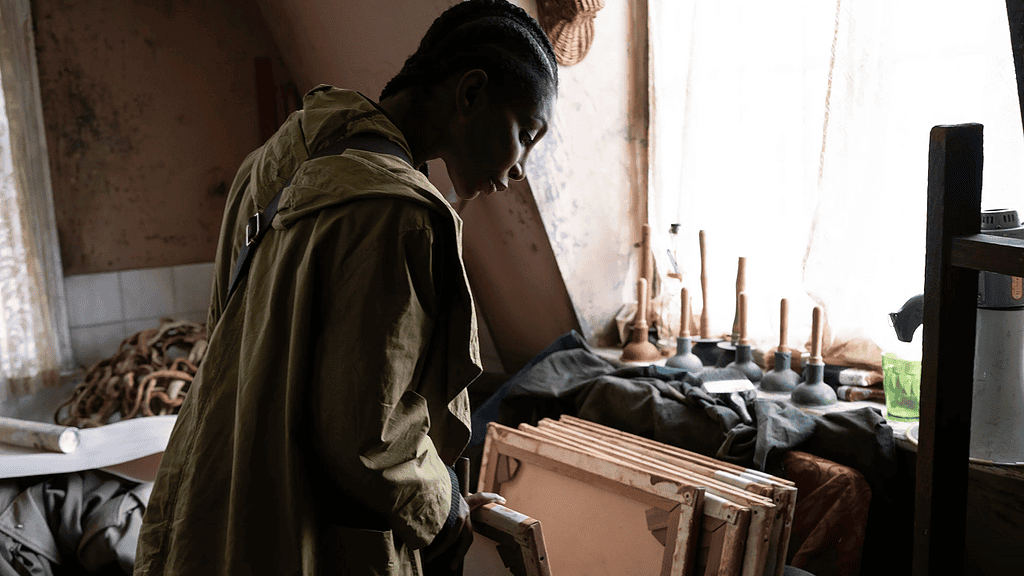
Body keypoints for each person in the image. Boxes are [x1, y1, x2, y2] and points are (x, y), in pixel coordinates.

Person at [133, 1, 558, 574]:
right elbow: (373, 438)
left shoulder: (269, 162)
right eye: (526, 134)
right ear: (471, 93)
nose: (522, 168)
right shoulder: (399, 215)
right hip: (304, 538)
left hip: (214, 505)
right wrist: (448, 513)